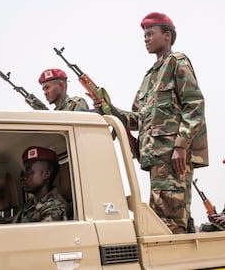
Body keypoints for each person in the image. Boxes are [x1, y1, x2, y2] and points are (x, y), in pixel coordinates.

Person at [89, 12, 208, 234]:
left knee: (171, 223)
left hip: (174, 157)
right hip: (157, 160)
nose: (145, 38)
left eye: (150, 33)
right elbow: (138, 119)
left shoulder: (177, 62)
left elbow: (195, 105)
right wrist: (108, 108)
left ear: (167, 36)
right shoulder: (149, 77)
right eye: (144, 35)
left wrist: (181, 145)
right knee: (162, 221)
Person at [13, 146, 67, 223]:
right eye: (22, 173)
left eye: (29, 172)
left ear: (46, 174)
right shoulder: (31, 203)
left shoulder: (55, 208)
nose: (23, 178)